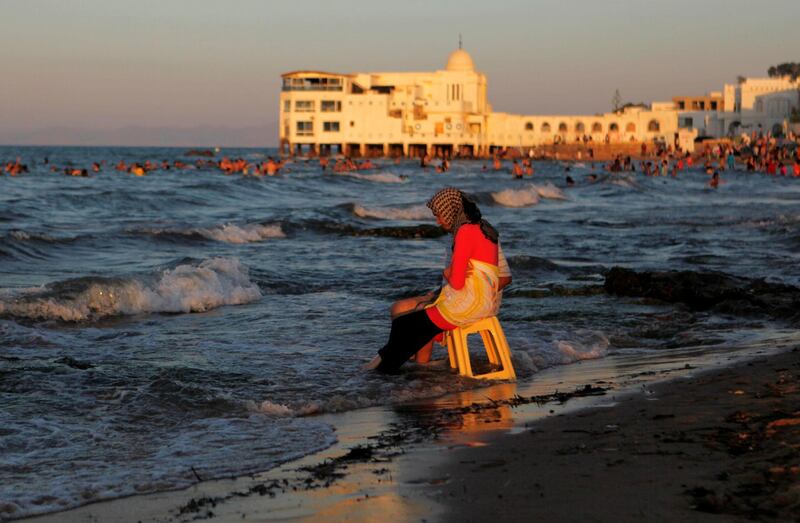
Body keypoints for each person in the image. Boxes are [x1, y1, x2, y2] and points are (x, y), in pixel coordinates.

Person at [364, 188, 512, 373]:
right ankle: (387, 371)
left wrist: (447, 272)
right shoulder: (484, 228)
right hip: (480, 302)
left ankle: (383, 376)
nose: (438, 221)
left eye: (439, 215)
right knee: (408, 328)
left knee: (405, 325)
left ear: (451, 211)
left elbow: (457, 282)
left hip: (467, 305)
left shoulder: (465, 232)